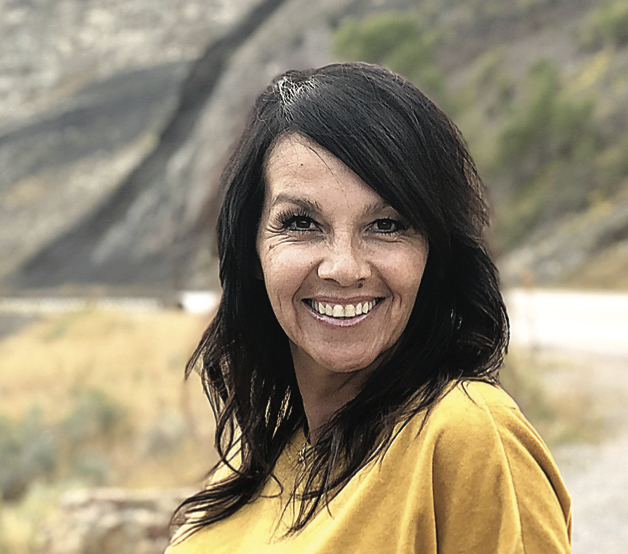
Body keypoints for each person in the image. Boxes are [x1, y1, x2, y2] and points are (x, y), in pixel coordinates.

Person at [166, 62, 572, 553]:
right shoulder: (251, 466)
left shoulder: (465, 436)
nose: (344, 267)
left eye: (387, 225)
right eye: (301, 223)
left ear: (434, 253)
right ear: (252, 250)